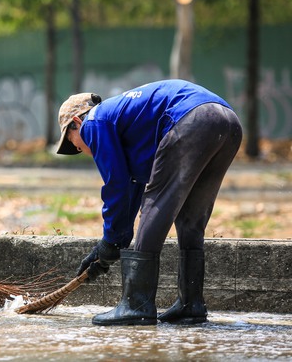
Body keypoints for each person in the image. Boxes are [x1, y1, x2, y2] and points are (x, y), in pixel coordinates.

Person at [56, 79, 242, 326]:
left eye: (72, 143)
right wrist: (115, 242)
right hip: (226, 121)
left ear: (76, 122)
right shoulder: (126, 121)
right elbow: (130, 186)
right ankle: (191, 304)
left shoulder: (94, 122)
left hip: (193, 118)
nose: (80, 149)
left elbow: (116, 185)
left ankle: (136, 304)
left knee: (155, 202)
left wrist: (110, 240)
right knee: (190, 218)